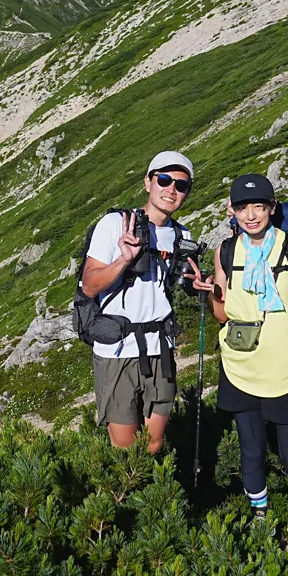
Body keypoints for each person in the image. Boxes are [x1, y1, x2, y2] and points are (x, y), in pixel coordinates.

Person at [191, 172, 288, 553]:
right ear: (232, 211)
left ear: (272, 209)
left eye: (259, 207)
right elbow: (222, 313)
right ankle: (259, 517)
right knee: (251, 449)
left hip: (287, 364)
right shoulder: (226, 251)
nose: (251, 215)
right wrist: (210, 292)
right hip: (240, 366)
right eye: (243, 207)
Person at [79, 151, 196, 455]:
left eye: (180, 185)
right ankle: (125, 501)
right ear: (148, 182)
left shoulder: (182, 236)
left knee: (154, 443)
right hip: (117, 350)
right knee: (124, 447)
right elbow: (90, 285)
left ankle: (151, 499)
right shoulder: (115, 224)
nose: (171, 189)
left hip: (161, 348)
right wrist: (123, 260)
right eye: (164, 180)